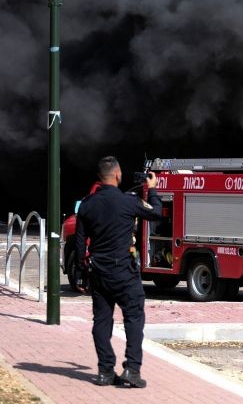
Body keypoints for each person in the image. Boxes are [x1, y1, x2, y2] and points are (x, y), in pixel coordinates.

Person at [75, 156, 161, 388]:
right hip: (124, 272)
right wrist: (151, 190)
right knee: (133, 318)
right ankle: (132, 369)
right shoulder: (128, 202)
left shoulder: (86, 205)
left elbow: (80, 243)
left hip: (99, 273)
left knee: (101, 321)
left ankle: (105, 371)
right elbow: (156, 213)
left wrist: (85, 270)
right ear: (116, 174)